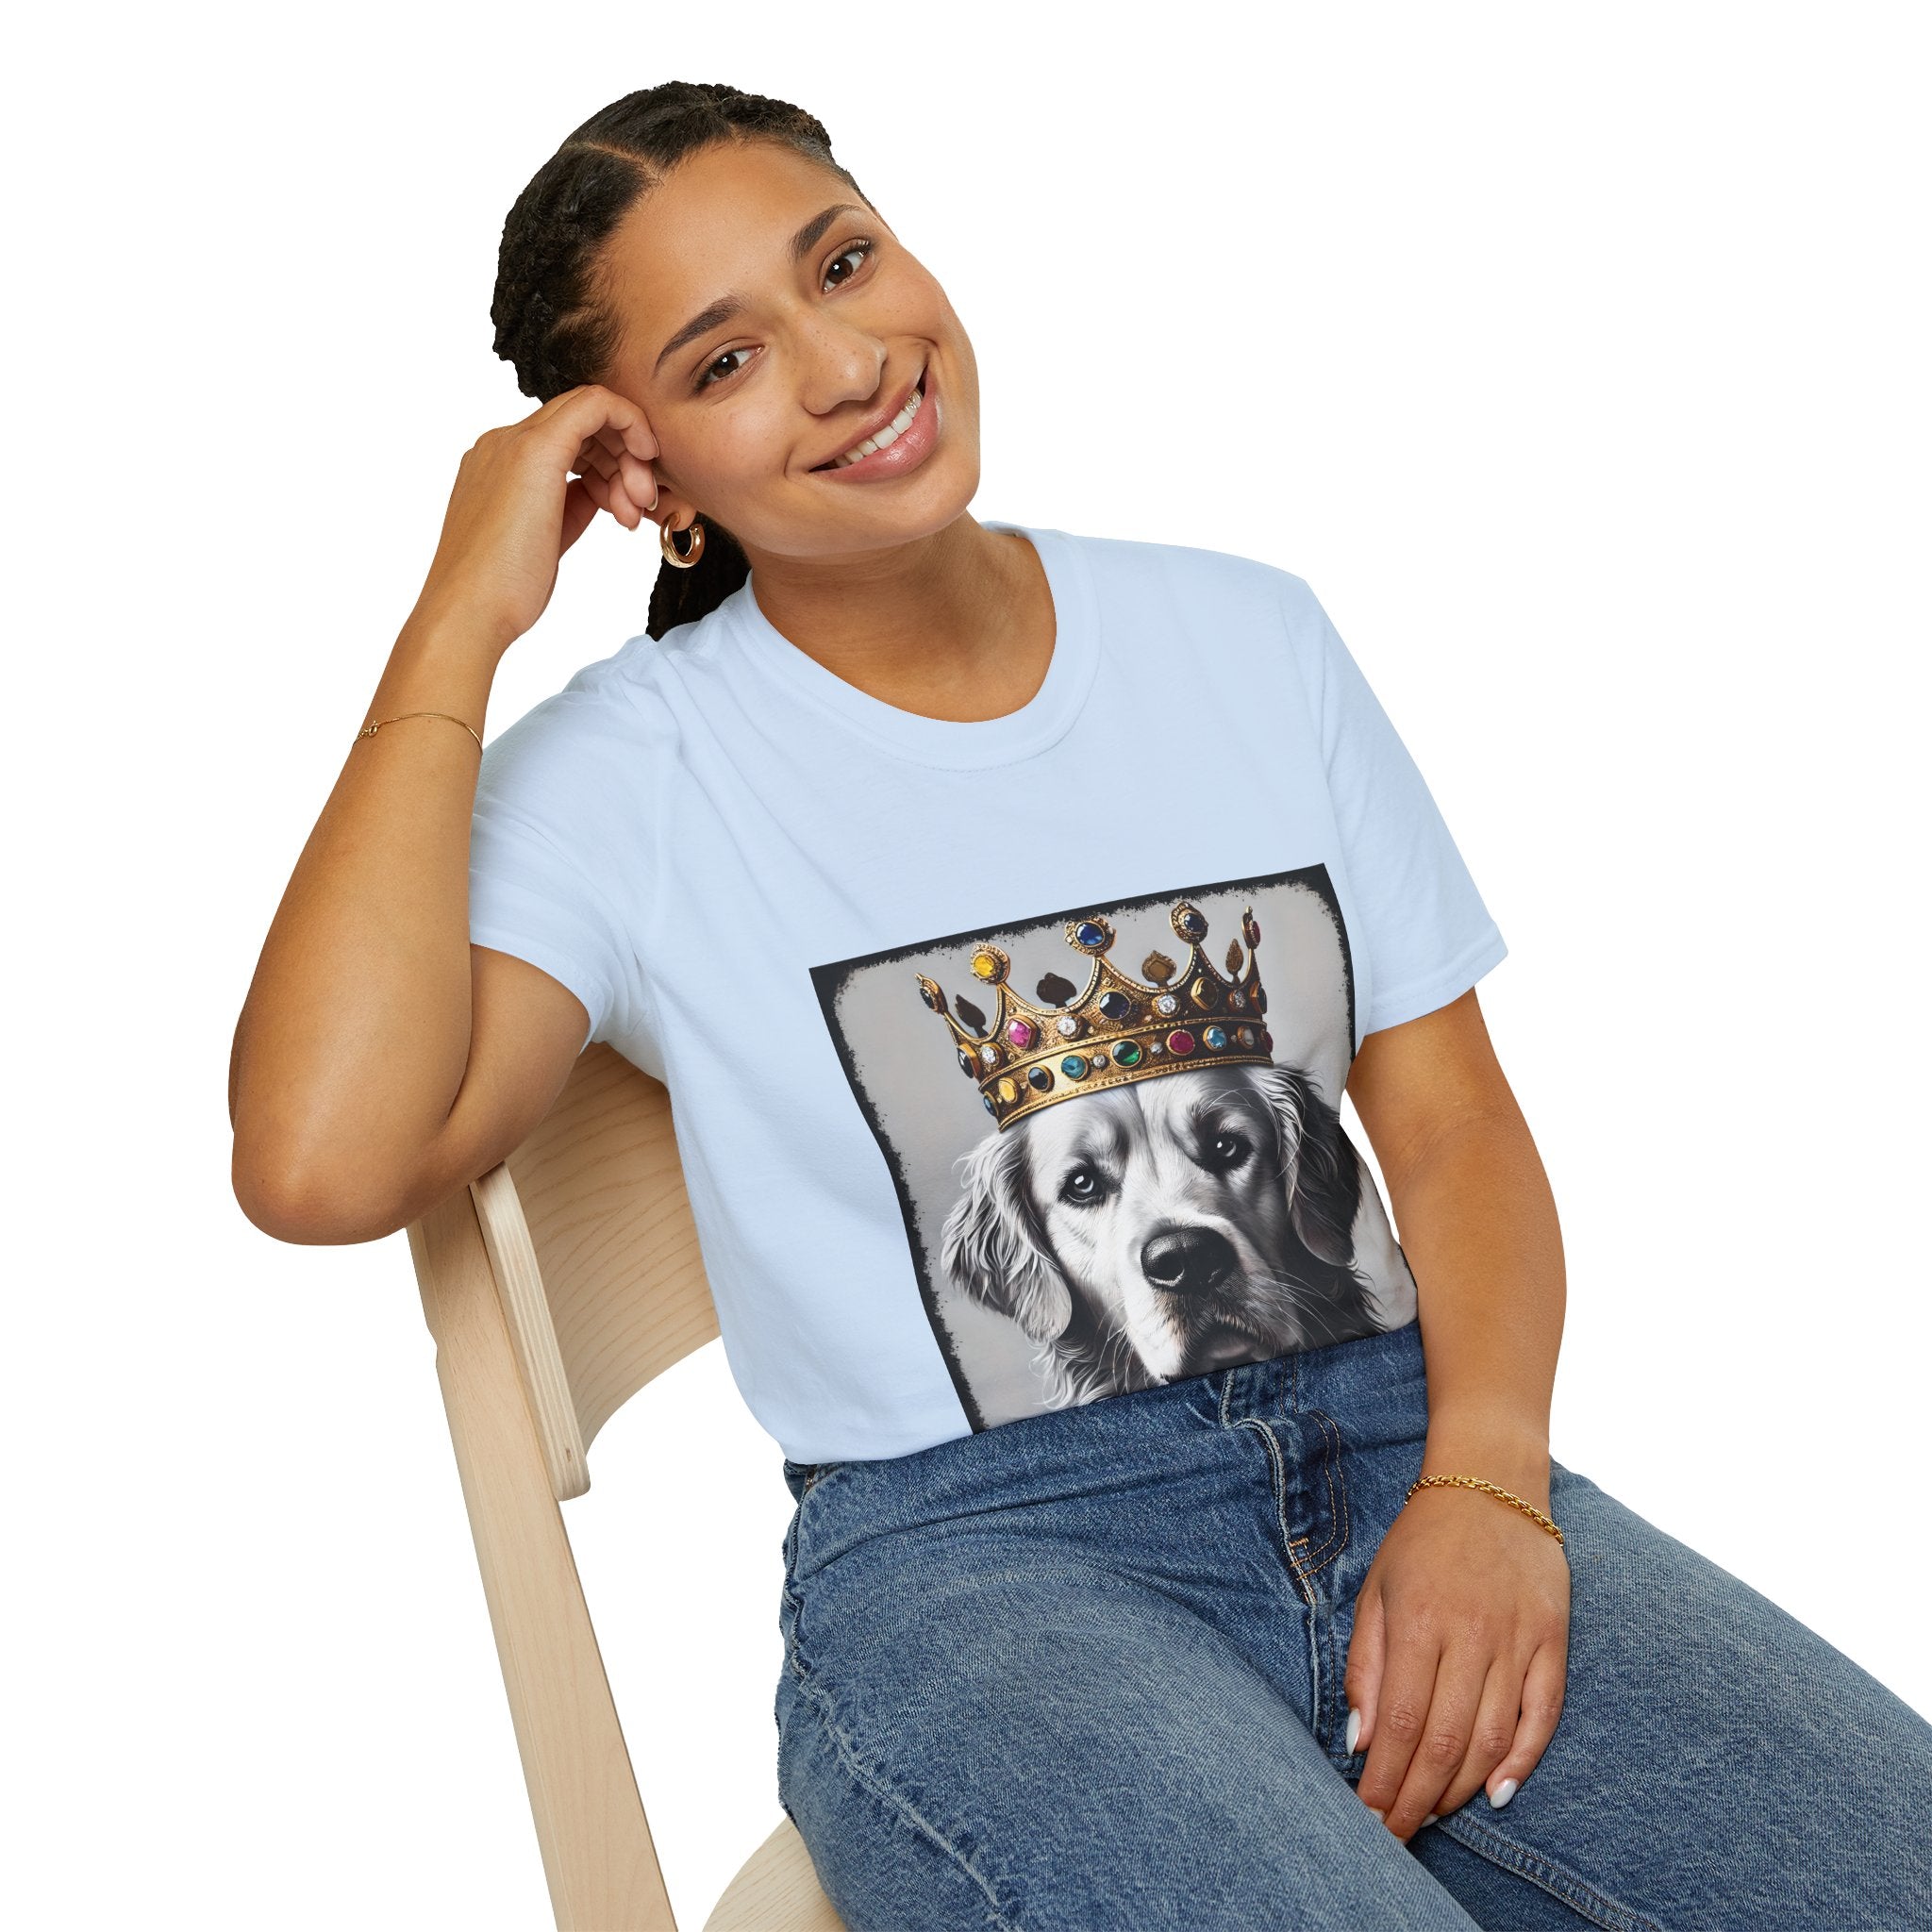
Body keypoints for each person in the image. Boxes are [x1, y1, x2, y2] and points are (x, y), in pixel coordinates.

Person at [228, 80, 1932, 1931]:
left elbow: (1445, 1124)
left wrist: (1490, 1487)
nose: (845, 361)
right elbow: (320, 1159)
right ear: (648, 480)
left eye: (845, 263)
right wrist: (455, 619)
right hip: (984, 1568)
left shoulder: (1246, 638)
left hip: (1402, 1446)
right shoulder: (635, 773)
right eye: (725, 362)